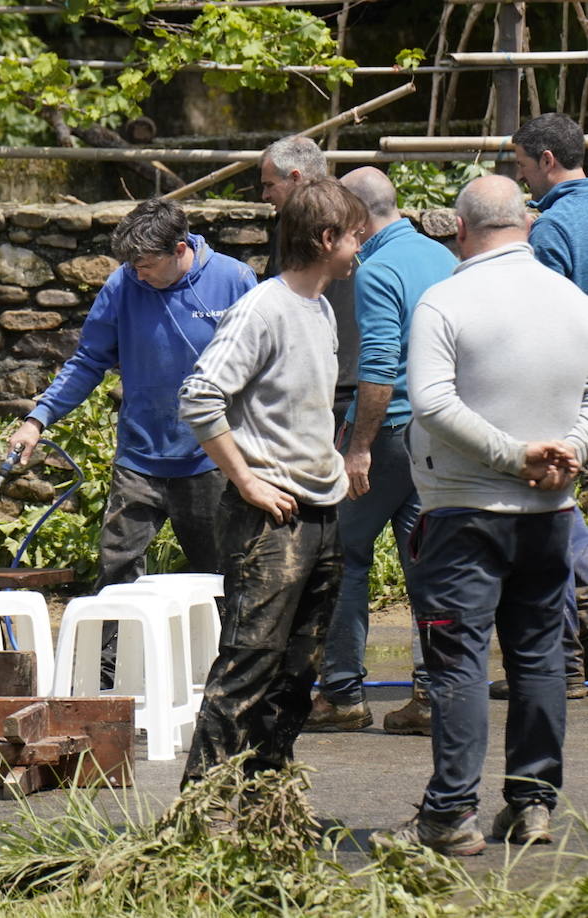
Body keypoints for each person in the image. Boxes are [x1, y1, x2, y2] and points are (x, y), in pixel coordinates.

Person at [373, 175, 588, 856]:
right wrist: (566, 452)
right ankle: (533, 806)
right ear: (525, 223)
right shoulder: (573, 300)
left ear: (460, 231)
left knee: (459, 662)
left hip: (463, 509)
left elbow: (432, 403)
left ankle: (450, 814)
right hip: (550, 506)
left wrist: (512, 453)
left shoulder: (446, 299)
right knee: (538, 656)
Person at [7, 198, 257, 682]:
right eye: (132, 266)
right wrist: (37, 419)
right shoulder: (124, 284)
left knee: (221, 577)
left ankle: (233, 682)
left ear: (180, 248)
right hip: (140, 457)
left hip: (210, 459)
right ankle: (105, 683)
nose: (138, 276)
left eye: (146, 265)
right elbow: (86, 362)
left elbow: (263, 369)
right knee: (116, 572)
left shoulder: (235, 280)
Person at [177, 179, 364, 791]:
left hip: (319, 511)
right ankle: (200, 814)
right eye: (355, 233)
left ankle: (265, 802)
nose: (361, 244)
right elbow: (200, 397)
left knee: (295, 672)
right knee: (248, 663)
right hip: (270, 519)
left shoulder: (321, 309)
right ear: (327, 238)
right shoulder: (263, 307)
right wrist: (248, 482)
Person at [305, 167, 457, 735]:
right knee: (426, 565)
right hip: (436, 437)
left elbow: (377, 371)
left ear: (358, 219)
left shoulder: (377, 270)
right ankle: (431, 693)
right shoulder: (442, 258)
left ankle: (342, 693)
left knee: (345, 559)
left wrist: (359, 448)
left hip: (387, 434)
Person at [509, 111, 588, 702]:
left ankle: (562, 664)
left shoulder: (552, 231)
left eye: (520, 166)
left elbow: (541, 320)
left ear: (547, 162)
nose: (522, 179)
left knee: (554, 516)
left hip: (570, 392)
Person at [260, 135, 360, 429]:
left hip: (312, 385)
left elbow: (283, 301)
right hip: (352, 383)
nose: (264, 196)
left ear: (295, 177)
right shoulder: (356, 210)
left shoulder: (294, 225)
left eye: (269, 185)